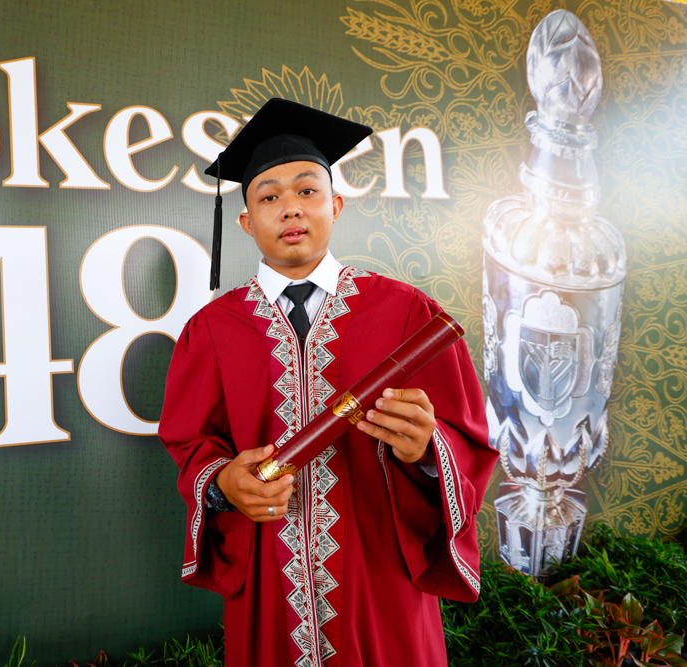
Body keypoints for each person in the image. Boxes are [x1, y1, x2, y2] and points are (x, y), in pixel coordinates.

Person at [158, 98, 497, 667]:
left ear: (335, 206)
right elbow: (190, 442)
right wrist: (223, 484)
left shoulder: (407, 314)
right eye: (268, 197)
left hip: (382, 576)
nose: (290, 207)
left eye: (307, 190)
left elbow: (466, 440)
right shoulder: (212, 330)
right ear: (246, 222)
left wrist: (425, 449)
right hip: (270, 575)